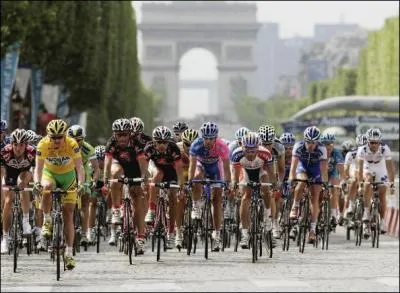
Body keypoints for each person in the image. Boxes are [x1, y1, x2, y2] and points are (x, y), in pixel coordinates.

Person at [33, 119, 85, 270]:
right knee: (47, 187)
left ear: (65, 136)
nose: (56, 140)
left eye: (59, 137)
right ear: (48, 136)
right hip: (49, 174)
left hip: (68, 177)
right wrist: (37, 182)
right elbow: (38, 169)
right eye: (53, 137)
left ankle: (69, 253)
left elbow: (80, 167)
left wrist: (81, 184)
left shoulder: (72, 144)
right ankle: (47, 221)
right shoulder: (42, 144)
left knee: (68, 213)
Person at [103, 118, 148, 254]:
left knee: (138, 204)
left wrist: (144, 178)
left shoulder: (137, 143)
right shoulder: (111, 143)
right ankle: (116, 210)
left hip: (135, 167)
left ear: (130, 134)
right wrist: (105, 178)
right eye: (119, 135)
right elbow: (107, 163)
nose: (122, 138)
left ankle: (140, 237)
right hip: (120, 164)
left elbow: (142, 163)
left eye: (125, 134)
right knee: (114, 175)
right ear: (114, 134)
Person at [188, 122, 231, 251]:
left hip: (215, 169)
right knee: (197, 176)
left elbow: (226, 168)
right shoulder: (196, 145)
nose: (208, 141)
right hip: (201, 166)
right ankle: (196, 205)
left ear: (215, 138)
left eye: (211, 138)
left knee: (217, 199)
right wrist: (190, 181)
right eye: (206, 138)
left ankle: (217, 234)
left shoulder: (222, 146)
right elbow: (192, 165)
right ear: (203, 137)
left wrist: (227, 183)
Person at [230, 132, 275, 249]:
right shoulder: (236, 154)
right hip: (246, 172)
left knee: (266, 190)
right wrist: (234, 183)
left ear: (258, 147)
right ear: (242, 146)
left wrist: (274, 184)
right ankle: (245, 234)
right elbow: (235, 174)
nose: (250, 153)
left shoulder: (265, 153)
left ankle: (267, 217)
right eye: (247, 150)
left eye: (253, 150)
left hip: (261, 171)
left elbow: (271, 171)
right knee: (245, 197)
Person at [144, 126, 184, 249]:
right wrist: (144, 180)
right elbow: (144, 166)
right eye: (159, 142)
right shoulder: (149, 148)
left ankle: (171, 233)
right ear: (154, 142)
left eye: (164, 142)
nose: (162, 145)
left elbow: (179, 170)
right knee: (157, 174)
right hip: (156, 168)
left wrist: (180, 186)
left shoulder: (174, 149)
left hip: (171, 172)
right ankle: (151, 210)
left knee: (173, 199)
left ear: (168, 142)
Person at [288, 126, 328, 244]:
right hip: (302, 167)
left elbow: (324, 169)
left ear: (317, 141)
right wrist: (291, 179)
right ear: (304, 140)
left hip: (315, 170)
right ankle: (295, 207)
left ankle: (312, 230)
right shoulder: (298, 146)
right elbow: (293, 166)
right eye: (308, 142)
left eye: (313, 142)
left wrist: (324, 184)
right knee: (301, 183)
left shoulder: (322, 148)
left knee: (315, 197)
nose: (310, 145)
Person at [1, 129, 36, 253]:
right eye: (15, 144)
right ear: (11, 144)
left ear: (26, 145)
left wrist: (36, 184)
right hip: (9, 172)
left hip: (24, 173)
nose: (18, 148)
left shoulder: (32, 152)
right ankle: (5, 238)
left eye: (21, 145)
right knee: (8, 200)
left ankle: (26, 220)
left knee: (23, 183)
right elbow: (1, 171)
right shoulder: (5, 152)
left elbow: (35, 171)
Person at [357, 128, 395, 236]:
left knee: (382, 193)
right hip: (367, 167)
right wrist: (360, 184)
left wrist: (392, 184)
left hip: (380, 167)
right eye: (371, 142)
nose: (374, 145)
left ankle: (382, 221)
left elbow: (390, 168)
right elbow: (359, 170)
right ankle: (366, 212)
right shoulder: (362, 149)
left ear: (379, 142)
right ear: (367, 141)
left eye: (376, 142)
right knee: (368, 181)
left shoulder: (385, 149)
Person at [67, 125, 99, 246]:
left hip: (83, 170)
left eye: (79, 139)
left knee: (85, 200)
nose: (75, 142)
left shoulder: (88, 149)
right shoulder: (64, 147)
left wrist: (93, 181)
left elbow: (96, 169)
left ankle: (85, 234)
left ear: (83, 139)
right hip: (68, 170)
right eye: (72, 139)